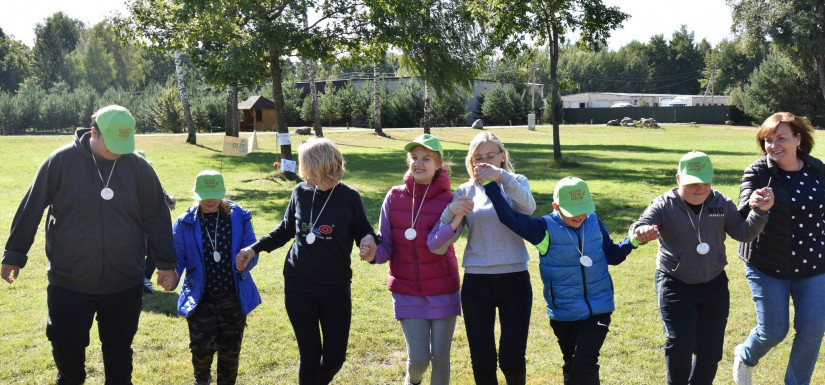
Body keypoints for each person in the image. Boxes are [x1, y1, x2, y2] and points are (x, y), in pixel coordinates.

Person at [1, 105, 178, 384]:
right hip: (69, 283)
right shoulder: (60, 161)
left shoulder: (139, 167)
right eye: (113, 143)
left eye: (125, 143)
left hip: (124, 282)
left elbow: (157, 218)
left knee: (120, 361)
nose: (120, 151)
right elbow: (31, 207)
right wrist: (14, 254)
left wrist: (167, 265)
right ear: (93, 132)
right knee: (68, 358)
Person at [485, 176, 657, 385]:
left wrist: (634, 241)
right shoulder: (543, 229)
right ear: (556, 206)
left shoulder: (594, 221)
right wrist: (489, 185)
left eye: (583, 208)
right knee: (572, 364)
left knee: (585, 362)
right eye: (572, 210)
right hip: (563, 314)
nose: (580, 215)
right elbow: (509, 218)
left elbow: (612, 255)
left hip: (598, 308)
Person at [236, 138, 377, 385]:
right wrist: (254, 248)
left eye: (303, 164)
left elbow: (364, 231)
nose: (301, 170)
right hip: (299, 285)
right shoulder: (300, 192)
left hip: (335, 288)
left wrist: (368, 241)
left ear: (317, 165)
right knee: (310, 355)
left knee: (335, 358)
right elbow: (286, 229)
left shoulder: (349, 198)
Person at [629, 151, 773, 385]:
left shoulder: (721, 203)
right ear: (678, 180)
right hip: (675, 282)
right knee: (681, 343)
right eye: (692, 183)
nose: (700, 188)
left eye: (705, 183)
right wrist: (641, 233)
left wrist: (760, 212)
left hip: (714, 284)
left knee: (711, 349)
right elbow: (640, 225)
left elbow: (743, 233)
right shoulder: (664, 204)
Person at [434, 131, 535, 384]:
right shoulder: (465, 190)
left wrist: (502, 177)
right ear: (470, 161)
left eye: (491, 155)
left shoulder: (516, 180)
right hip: (477, 282)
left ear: (502, 156)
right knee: (482, 359)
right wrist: (450, 212)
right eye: (478, 157)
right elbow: (447, 238)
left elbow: (528, 208)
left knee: (512, 358)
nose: (484, 162)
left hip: (515, 280)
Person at [732, 112, 825, 385]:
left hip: (814, 265)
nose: (774, 146)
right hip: (767, 264)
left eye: (781, 138)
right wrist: (756, 205)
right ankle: (746, 355)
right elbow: (740, 216)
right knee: (773, 331)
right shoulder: (759, 171)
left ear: (798, 139)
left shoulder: (817, 170)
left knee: (812, 329)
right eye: (768, 140)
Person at [363, 134, 461, 385]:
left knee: (441, 358)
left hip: (443, 289)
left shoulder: (451, 201)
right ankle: (412, 381)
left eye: (426, 159)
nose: (419, 163)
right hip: (406, 289)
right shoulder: (394, 197)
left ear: (439, 164)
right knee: (418, 359)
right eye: (414, 158)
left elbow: (439, 244)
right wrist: (374, 254)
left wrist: (455, 218)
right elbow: (386, 243)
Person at [173, 170, 261, 385]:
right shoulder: (185, 222)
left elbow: (252, 248)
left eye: (215, 194)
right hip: (200, 297)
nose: (211, 200)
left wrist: (247, 260)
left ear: (223, 193)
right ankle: (201, 380)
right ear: (196, 194)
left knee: (230, 351)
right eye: (205, 195)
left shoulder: (239, 216)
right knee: (201, 349)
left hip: (232, 296)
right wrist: (172, 276)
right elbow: (177, 257)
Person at [137, 150, 177, 294]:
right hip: (140, 228)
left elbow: (162, 194)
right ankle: (143, 278)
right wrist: (170, 200)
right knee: (151, 250)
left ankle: (143, 278)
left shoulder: (147, 180)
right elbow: (164, 197)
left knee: (154, 250)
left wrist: (170, 199)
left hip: (147, 227)